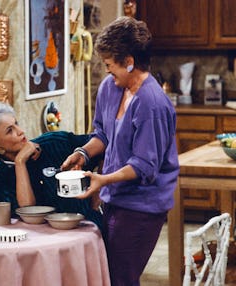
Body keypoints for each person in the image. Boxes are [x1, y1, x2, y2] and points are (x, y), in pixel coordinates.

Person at [61, 16, 179, 285]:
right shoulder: (110, 88)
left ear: (129, 61)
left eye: (110, 65)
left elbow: (144, 167)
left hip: (142, 207)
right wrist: (83, 154)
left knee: (121, 278)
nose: (106, 71)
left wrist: (102, 179)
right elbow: (102, 134)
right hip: (113, 199)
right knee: (107, 274)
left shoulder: (153, 104)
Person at [0, 101, 103, 228]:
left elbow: (105, 144)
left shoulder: (55, 143)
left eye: (16, 124)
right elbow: (29, 213)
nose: (20, 131)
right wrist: (20, 162)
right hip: (38, 245)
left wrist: (100, 191)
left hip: (88, 230)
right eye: (10, 130)